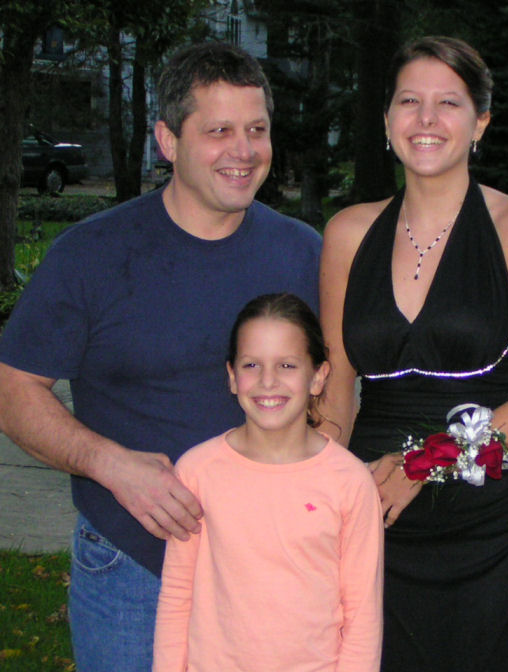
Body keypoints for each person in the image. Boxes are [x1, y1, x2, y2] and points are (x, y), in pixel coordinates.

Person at [0, 42, 322, 672]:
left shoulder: (303, 253)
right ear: (168, 140)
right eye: (219, 131)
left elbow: (337, 381)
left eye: (257, 130)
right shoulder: (91, 255)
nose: (244, 150)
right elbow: (13, 389)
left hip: (272, 563)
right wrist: (110, 465)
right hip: (133, 569)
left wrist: (319, 473)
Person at [319, 36, 508, 672]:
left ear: (480, 122)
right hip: (376, 529)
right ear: (386, 120)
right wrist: (321, 488)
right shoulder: (347, 233)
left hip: (493, 536)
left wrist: (421, 464)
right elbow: (335, 396)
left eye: (449, 103)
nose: (427, 119)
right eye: (409, 101)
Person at [153, 293, 383, 672]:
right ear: (232, 376)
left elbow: (363, 615)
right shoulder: (197, 471)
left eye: (287, 365)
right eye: (251, 365)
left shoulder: (350, 482)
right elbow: (177, 596)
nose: (268, 381)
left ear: (318, 376)